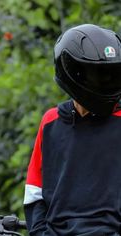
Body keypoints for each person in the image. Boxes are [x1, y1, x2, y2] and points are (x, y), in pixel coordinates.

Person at [23, 24, 121, 236]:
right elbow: (34, 192)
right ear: (74, 73)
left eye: (113, 74)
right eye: (100, 74)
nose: (108, 81)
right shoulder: (51, 121)